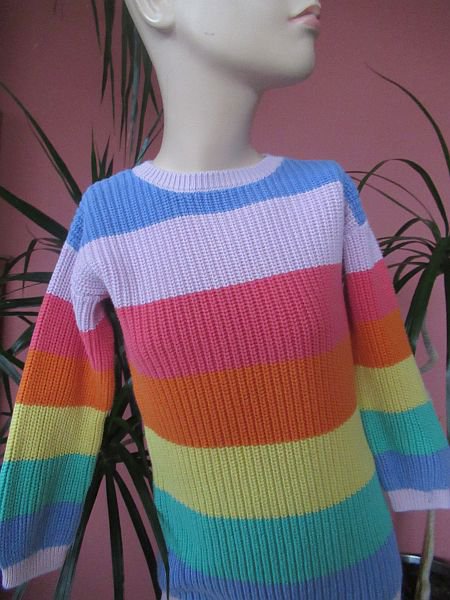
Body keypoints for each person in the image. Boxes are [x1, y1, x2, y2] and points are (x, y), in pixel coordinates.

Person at [0, 2, 448, 599]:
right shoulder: (110, 219)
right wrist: (23, 537)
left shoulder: (326, 195)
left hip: (362, 568)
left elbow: (382, 355)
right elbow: (61, 386)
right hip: (211, 580)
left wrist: (420, 471)